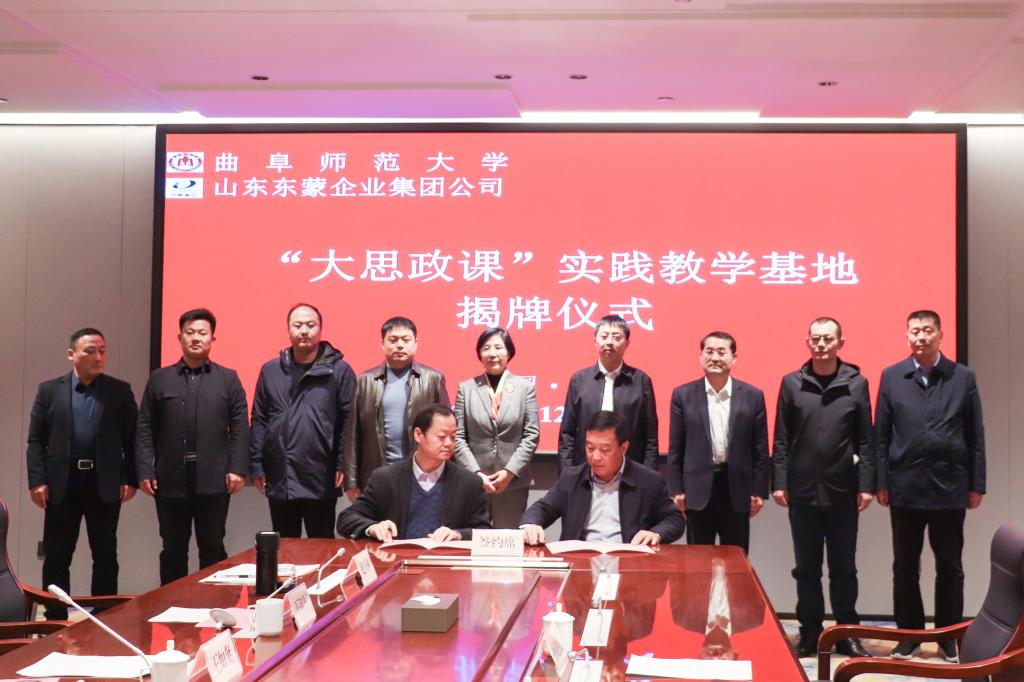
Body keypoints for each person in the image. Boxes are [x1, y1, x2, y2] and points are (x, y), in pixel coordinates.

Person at [876, 310, 985, 662]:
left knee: (950, 566)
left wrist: (976, 484)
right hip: (904, 486)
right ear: (907, 336)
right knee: (905, 566)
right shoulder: (892, 376)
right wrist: (881, 481)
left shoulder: (962, 377)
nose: (920, 337)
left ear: (940, 335)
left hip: (949, 486)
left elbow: (975, 435)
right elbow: (881, 436)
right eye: (914, 331)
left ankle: (948, 637)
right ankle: (909, 637)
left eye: (927, 330)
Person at [771, 318, 874, 659]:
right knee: (806, 570)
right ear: (808, 342)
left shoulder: (856, 384)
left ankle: (847, 633)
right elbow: (781, 438)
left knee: (844, 569)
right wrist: (780, 481)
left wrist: (866, 485)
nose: (821, 344)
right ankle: (810, 633)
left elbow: (866, 440)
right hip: (802, 491)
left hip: (843, 490)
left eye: (828, 339)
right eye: (815, 339)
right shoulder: (792, 383)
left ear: (840, 342)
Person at [26, 328, 138, 619]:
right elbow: (36, 440)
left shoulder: (119, 391)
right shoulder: (49, 391)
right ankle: (55, 618)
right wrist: (37, 480)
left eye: (102, 351)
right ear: (71, 354)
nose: (98, 357)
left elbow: (131, 439)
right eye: (90, 351)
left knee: (105, 554)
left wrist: (130, 478)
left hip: (104, 482)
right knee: (57, 555)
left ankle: (103, 618)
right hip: (62, 483)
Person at [136, 309, 250, 585]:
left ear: (212, 338)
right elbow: (145, 427)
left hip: (214, 479)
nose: (196, 338)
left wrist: (237, 468)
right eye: (190, 332)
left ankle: (213, 603)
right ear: (180, 337)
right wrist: (144, 470)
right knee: (173, 548)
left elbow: (240, 428)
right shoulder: (159, 379)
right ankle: (169, 603)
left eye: (202, 333)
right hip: (170, 479)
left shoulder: (228, 378)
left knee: (213, 547)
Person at [250, 303, 356, 538]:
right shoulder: (271, 370)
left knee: (321, 545)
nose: (304, 331)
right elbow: (259, 419)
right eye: (298, 325)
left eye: (310, 325)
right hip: (280, 472)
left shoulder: (339, 371)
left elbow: (348, 422)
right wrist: (256, 463)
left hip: (320, 473)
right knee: (285, 547)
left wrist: (343, 462)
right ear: (288, 330)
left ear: (321, 329)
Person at [666, 331, 768, 555]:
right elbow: (676, 449)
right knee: (698, 560)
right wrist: (676, 489)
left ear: (734, 358)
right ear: (700, 356)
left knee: (737, 558)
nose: (715, 357)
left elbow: (760, 449)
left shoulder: (753, 396)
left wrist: (759, 490)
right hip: (696, 489)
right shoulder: (683, 395)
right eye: (709, 351)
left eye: (722, 352)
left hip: (737, 488)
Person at [520, 411, 684, 546]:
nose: (595, 457)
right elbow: (542, 508)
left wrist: (656, 533)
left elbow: (674, 519)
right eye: (590, 448)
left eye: (605, 450)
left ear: (623, 448)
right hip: (580, 562)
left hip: (630, 562)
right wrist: (530, 525)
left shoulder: (648, 481)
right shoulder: (571, 478)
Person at [337, 404, 491, 541]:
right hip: (396, 560)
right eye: (442, 437)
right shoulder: (385, 478)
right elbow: (346, 519)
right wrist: (372, 528)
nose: (449, 443)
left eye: (453, 437)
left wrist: (458, 534)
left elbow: (485, 532)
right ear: (418, 435)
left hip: (445, 561)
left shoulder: (469, 482)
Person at [343, 316, 448, 501]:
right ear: (382, 344)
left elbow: (447, 431)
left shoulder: (433, 379)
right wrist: (351, 481)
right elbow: (353, 434)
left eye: (405, 340)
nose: (399, 345)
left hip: (424, 474)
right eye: (393, 340)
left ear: (416, 344)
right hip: (377, 473)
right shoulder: (365, 381)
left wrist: (449, 477)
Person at [453, 327, 539, 528]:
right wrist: (476, 474)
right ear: (479, 354)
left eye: (498, 348)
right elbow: (457, 436)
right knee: (472, 539)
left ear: (509, 352)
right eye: (486, 348)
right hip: (473, 483)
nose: (492, 353)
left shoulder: (525, 388)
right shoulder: (466, 388)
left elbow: (531, 435)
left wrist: (509, 472)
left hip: (512, 483)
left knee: (507, 540)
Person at [558, 315, 658, 471]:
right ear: (595, 341)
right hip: (585, 469)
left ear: (627, 343)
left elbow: (650, 436)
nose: (609, 342)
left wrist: (648, 476)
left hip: (630, 470)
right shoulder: (579, 380)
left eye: (616, 337)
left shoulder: (641, 381)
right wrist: (567, 475)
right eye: (604, 336)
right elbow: (567, 434)